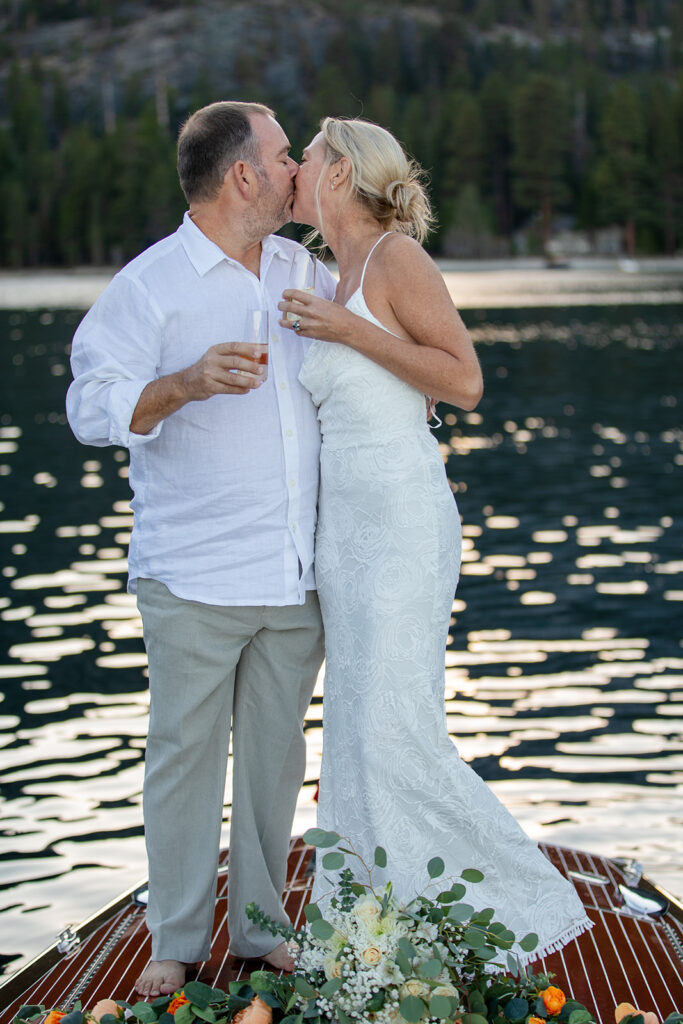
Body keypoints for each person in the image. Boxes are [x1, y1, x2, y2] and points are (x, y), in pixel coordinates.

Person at [279, 117, 593, 963]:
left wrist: (350, 335)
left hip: (400, 520)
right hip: (342, 530)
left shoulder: (392, 259)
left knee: (393, 725)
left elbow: (463, 381)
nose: (290, 171)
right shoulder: (328, 268)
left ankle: (505, 908)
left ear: (338, 174)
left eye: (300, 159)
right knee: (351, 727)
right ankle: (374, 922)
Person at [66, 101, 336, 999]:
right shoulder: (151, 284)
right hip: (191, 573)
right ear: (243, 176)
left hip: (294, 572)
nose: (297, 165)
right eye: (285, 153)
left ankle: (262, 931)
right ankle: (175, 938)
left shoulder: (303, 268)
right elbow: (87, 404)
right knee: (182, 759)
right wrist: (181, 384)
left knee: (275, 760)